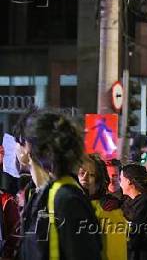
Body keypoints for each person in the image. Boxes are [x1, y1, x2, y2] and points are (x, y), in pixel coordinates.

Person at [17, 110, 101, 260]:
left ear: (30, 147)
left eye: (21, 141)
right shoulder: (46, 193)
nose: (17, 146)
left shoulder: (66, 198)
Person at [78, 153, 128, 260]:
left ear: (99, 181)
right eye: (81, 173)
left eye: (91, 175)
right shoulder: (71, 204)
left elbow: (116, 255)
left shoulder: (109, 210)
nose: (84, 178)